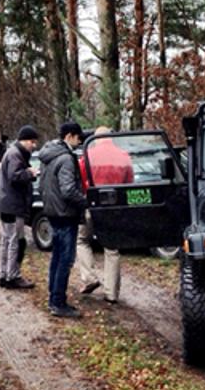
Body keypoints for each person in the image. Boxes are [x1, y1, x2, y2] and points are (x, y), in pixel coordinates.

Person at [77, 126, 134, 304]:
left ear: (96, 138)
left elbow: (80, 181)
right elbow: (129, 183)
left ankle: (89, 277)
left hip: (91, 205)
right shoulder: (124, 156)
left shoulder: (86, 156)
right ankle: (111, 293)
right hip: (114, 209)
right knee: (112, 249)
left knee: (82, 240)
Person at [38, 121, 87, 317]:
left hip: (52, 212)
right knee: (65, 259)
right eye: (78, 137)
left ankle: (54, 298)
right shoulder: (66, 158)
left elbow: (44, 185)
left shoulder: (48, 155)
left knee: (57, 257)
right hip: (66, 214)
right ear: (69, 136)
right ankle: (58, 303)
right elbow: (68, 190)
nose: (79, 141)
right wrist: (84, 201)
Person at [0, 125, 39, 289]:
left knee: (7, 241)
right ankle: (12, 276)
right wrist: (31, 173)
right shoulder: (15, 154)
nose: (34, 145)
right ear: (25, 140)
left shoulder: (13, 152)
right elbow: (15, 176)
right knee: (14, 242)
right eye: (32, 142)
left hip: (7, 204)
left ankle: (4, 275)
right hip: (12, 205)